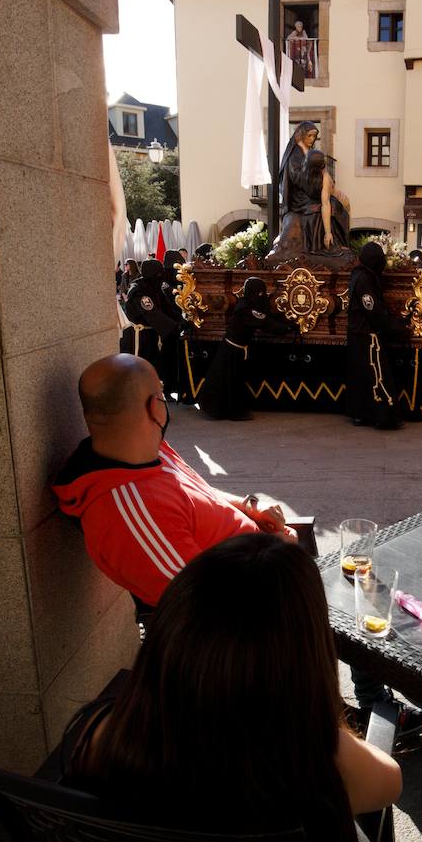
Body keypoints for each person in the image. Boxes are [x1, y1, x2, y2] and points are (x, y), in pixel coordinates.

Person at [62, 534, 401, 842]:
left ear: (171, 634)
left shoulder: (99, 734)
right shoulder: (318, 763)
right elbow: (391, 781)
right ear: (304, 661)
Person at [52, 355, 294, 616]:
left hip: (262, 556)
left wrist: (248, 505)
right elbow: (211, 603)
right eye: (163, 393)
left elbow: (196, 494)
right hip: (258, 610)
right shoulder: (127, 512)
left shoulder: (147, 452)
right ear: (153, 407)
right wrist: (279, 559)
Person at [197, 277, 297, 421]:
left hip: (234, 350)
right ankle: (228, 411)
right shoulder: (246, 309)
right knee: (228, 382)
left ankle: (230, 410)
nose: (262, 296)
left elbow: (267, 316)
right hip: (231, 351)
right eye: (261, 293)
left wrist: (286, 322)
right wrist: (287, 328)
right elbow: (265, 322)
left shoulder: (248, 305)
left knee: (232, 381)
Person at [346, 241, 408, 429]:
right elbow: (371, 309)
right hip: (367, 334)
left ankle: (361, 413)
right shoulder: (365, 278)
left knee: (361, 377)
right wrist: (396, 326)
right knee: (377, 376)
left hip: (357, 333)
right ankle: (385, 415)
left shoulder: (361, 275)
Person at [122, 258, 185, 399]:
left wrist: (181, 321)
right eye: (158, 275)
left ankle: (159, 392)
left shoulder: (153, 288)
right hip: (139, 336)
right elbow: (153, 314)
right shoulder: (139, 291)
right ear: (152, 275)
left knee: (157, 364)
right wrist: (174, 326)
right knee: (141, 366)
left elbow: (166, 308)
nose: (161, 278)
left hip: (152, 334)